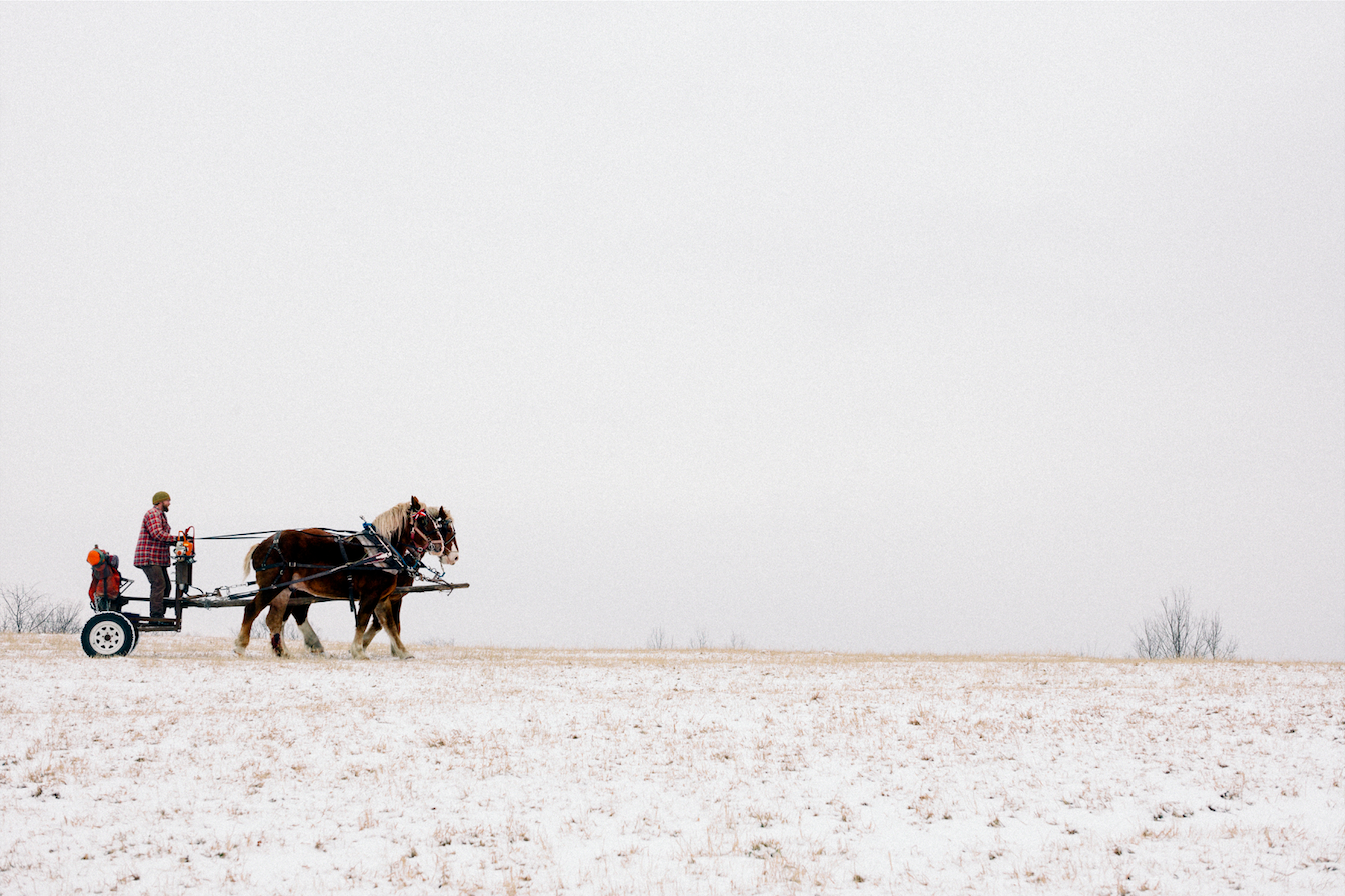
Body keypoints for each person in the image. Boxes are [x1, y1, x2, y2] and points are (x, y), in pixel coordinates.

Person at [134, 491, 177, 618]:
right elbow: (157, 534)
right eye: (167, 500)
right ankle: (156, 617)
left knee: (166, 586)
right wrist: (177, 539)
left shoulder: (161, 515)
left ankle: (160, 614)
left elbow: (163, 537)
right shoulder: (153, 514)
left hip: (157, 558)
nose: (169, 503)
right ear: (160, 501)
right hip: (149, 557)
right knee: (159, 584)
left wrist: (178, 541)